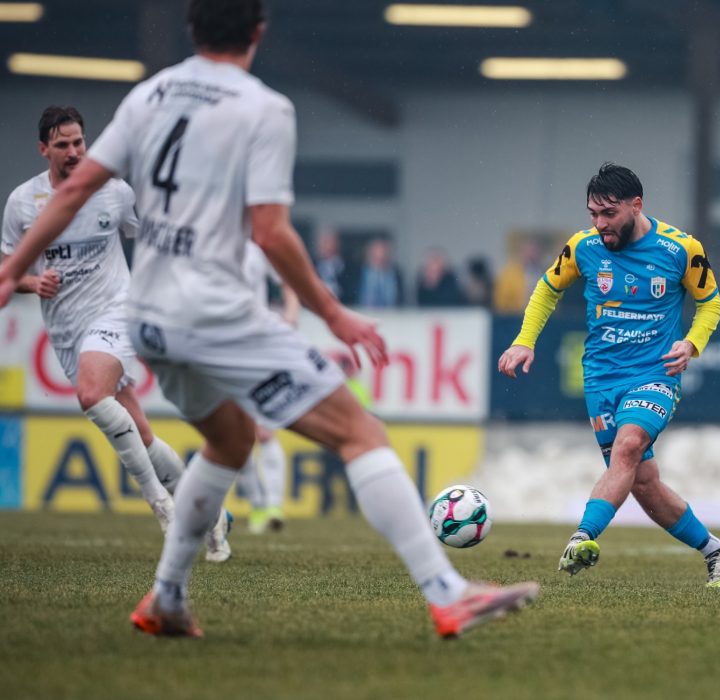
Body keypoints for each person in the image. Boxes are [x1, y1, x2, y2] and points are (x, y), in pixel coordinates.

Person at [0, 0, 536, 639]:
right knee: (360, 430)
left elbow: (72, 192)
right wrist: (332, 312)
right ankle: (447, 593)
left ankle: (167, 597)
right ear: (258, 32)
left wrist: (11, 273)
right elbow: (272, 232)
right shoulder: (264, 108)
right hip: (212, 308)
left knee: (229, 442)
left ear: (193, 29)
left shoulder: (150, 94)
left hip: (147, 315)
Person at [1, 105, 232, 561]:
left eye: (79, 142)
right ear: (44, 149)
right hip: (67, 328)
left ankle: (162, 507)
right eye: (63, 145)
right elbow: (8, 272)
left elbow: (155, 239)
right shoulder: (23, 203)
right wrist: (32, 283)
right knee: (139, 433)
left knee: (91, 395)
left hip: (117, 310)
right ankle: (209, 514)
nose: (74, 152)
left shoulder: (113, 192)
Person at [497, 163, 720, 587]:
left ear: (636, 205)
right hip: (601, 379)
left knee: (627, 448)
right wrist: (524, 340)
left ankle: (582, 537)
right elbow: (548, 289)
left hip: (654, 374)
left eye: (608, 214)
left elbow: (711, 303)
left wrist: (691, 343)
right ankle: (714, 549)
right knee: (643, 482)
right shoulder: (583, 247)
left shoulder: (681, 249)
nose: (599, 223)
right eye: (593, 214)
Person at [238, 240, 299, 534]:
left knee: (264, 429)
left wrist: (291, 313)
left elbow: (289, 277)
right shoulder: (206, 243)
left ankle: (274, 506)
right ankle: (258, 504)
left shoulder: (257, 249)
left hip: (258, 344)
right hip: (221, 346)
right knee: (237, 435)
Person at [357, 238, 403, 308]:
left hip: (391, 313)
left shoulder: (397, 274)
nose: (381, 256)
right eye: (376, 253)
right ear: (369, 255)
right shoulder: (357, 273)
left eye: (384, 253)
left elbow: (400, 301)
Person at [312, 226, 346, 302]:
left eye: (327, 241)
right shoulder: (311, 265)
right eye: (322, 241)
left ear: (336, 243)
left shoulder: (347, 267)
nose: (324, 245)